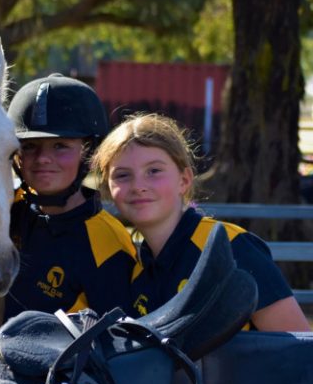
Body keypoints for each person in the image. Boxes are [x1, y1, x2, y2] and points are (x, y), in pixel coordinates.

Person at [92, 112, 310, 331]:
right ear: (109, 189)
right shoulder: (138, 274)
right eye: (122, 175)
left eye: (154, 171)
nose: (138, 185)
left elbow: (298, 349)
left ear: (184, 180)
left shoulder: (231, 246)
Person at [3, 74, 137, 321]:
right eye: (30, 146)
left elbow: (117, 342)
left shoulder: (108, 244)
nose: (43, 158)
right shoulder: (5, 211)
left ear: (89, 153)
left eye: (60, 146)